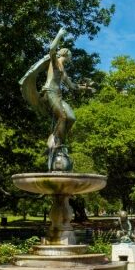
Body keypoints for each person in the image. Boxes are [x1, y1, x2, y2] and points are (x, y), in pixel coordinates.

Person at [19, 27, 77, 170]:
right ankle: (55, 142)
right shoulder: (55, 61)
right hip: (49, 93)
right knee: (63, 117)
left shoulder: (63, 71)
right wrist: (59, 34)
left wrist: (87, 88)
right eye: (69, 56)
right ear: (66, 54)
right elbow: (52, 48)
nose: (70, 58)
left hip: (58, 95)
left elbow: (73, 86)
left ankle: (57, 140)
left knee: (71, 117)